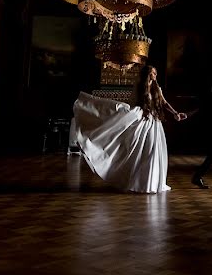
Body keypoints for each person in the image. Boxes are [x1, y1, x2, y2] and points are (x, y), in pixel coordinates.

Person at [72, 64, 186, 193]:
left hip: (155, 123)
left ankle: (152, 182)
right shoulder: (139, 88)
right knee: (142, 152)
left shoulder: (157, 88)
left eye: (155, 73)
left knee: (153, 152)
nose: (155, 75)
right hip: (143, 121)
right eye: (153, 73)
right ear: (147, 74)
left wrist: (175, 113)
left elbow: (164, 103)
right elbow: (133, 104)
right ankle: (140, 182)